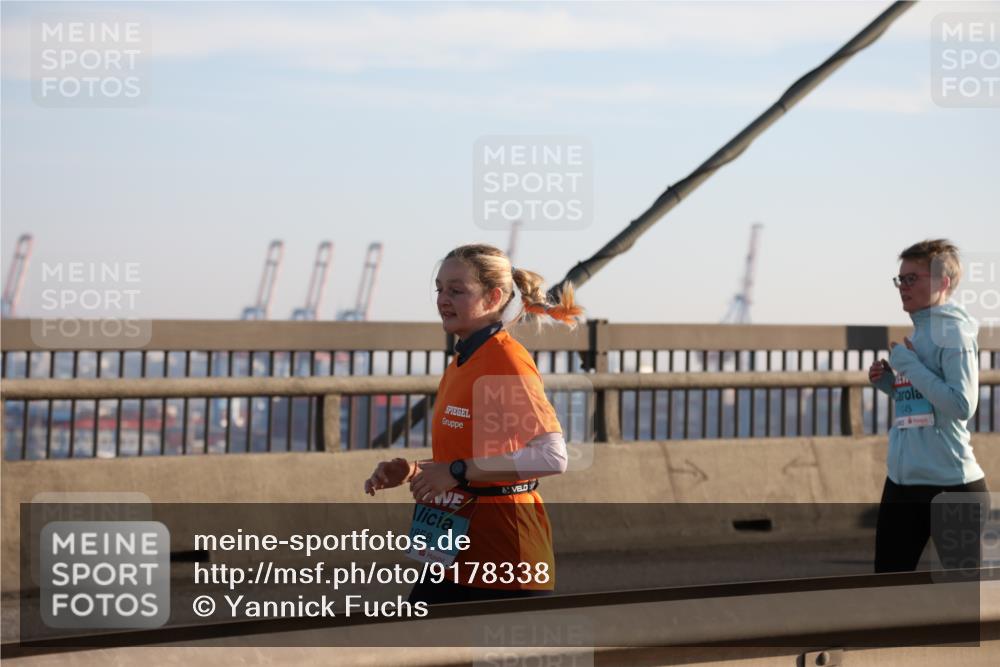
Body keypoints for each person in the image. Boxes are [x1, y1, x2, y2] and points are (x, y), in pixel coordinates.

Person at [364, 243, 582, 603]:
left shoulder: (505, 360)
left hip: (504, 557)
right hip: (451, 550)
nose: (442, 300)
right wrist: (417, 471)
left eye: (456, 290)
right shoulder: (465, 358)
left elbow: (552, 457)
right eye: (439, 289)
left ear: (493, 297)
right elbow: (483, 455)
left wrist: (457, 470)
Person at [869, 239, 989, 573]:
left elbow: (961, 404)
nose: (902, 287)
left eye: (912, 278)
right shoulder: (921, 334)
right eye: (900, 279)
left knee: (962, 606)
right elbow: (928, 405)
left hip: (951, 486)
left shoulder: (954, 333)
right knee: (886, 595)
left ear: (942, 283)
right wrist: (891, 385)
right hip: (902, 483)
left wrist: (909, 365)